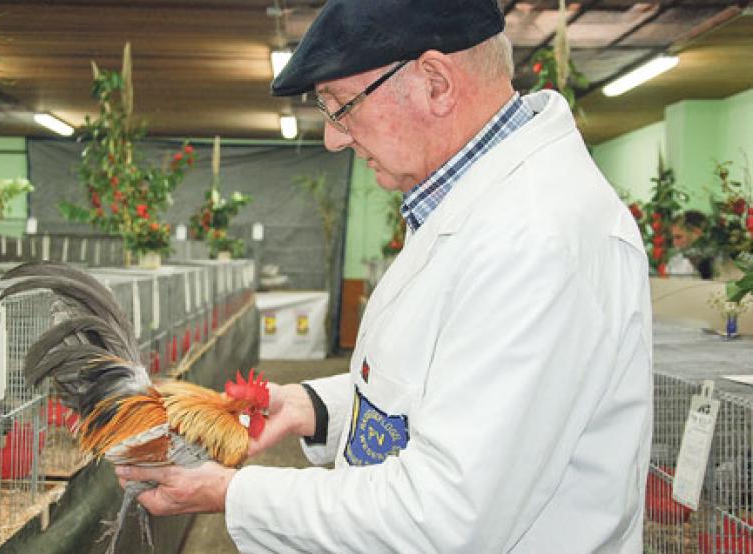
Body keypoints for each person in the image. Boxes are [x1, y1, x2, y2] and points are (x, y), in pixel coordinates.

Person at [115, 1, 653, 551]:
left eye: (341, 107)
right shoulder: (473, 207)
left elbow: (443, 517)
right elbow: (442, 389)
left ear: (436, 83)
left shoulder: (536, 239)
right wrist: (311, 409)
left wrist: (233, 492)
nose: (334, 139)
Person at [668, 210, 713, 278]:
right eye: (673, 237)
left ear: (697, 233)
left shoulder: (715, 262)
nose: (674, 243)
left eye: (678, 237)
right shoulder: (676, 259)